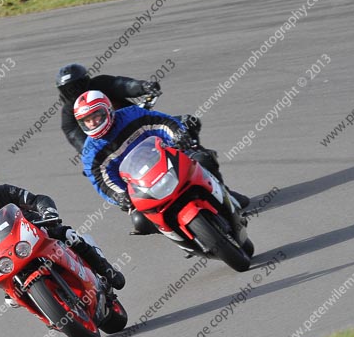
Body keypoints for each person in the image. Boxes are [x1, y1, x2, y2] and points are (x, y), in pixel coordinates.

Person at [0, 164, 125, 307]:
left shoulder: (4, 192)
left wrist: (48, 213)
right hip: (7, 256)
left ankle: (106, 271)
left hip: (34, 231)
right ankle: (48, 312)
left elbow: (37, 200)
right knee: (12, 299)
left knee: (69, 235)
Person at [75, 90, 249, 235]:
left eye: (96, 116)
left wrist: (179, 136)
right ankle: (184, 235)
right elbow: (101, 181)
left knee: (203, 159)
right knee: (140, 222)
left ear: (107, 110)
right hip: (141, 185)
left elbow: (162, 122)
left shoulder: (131, 114)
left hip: (169, 160)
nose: (93, 123)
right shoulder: (91, 153)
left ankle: (226, 196)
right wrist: (119, 195)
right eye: (87, 120)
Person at [56, 63, 169, 153]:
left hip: (137, 124)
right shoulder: (68, 114)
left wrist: (144, 86)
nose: (74, 92)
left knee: (174, 124)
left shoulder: (101, 84)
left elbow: (123, 85)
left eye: (77, 86)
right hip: (114, 148)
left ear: (86, 81)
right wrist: (92, 154)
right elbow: (77, 139)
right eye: (68, 90)